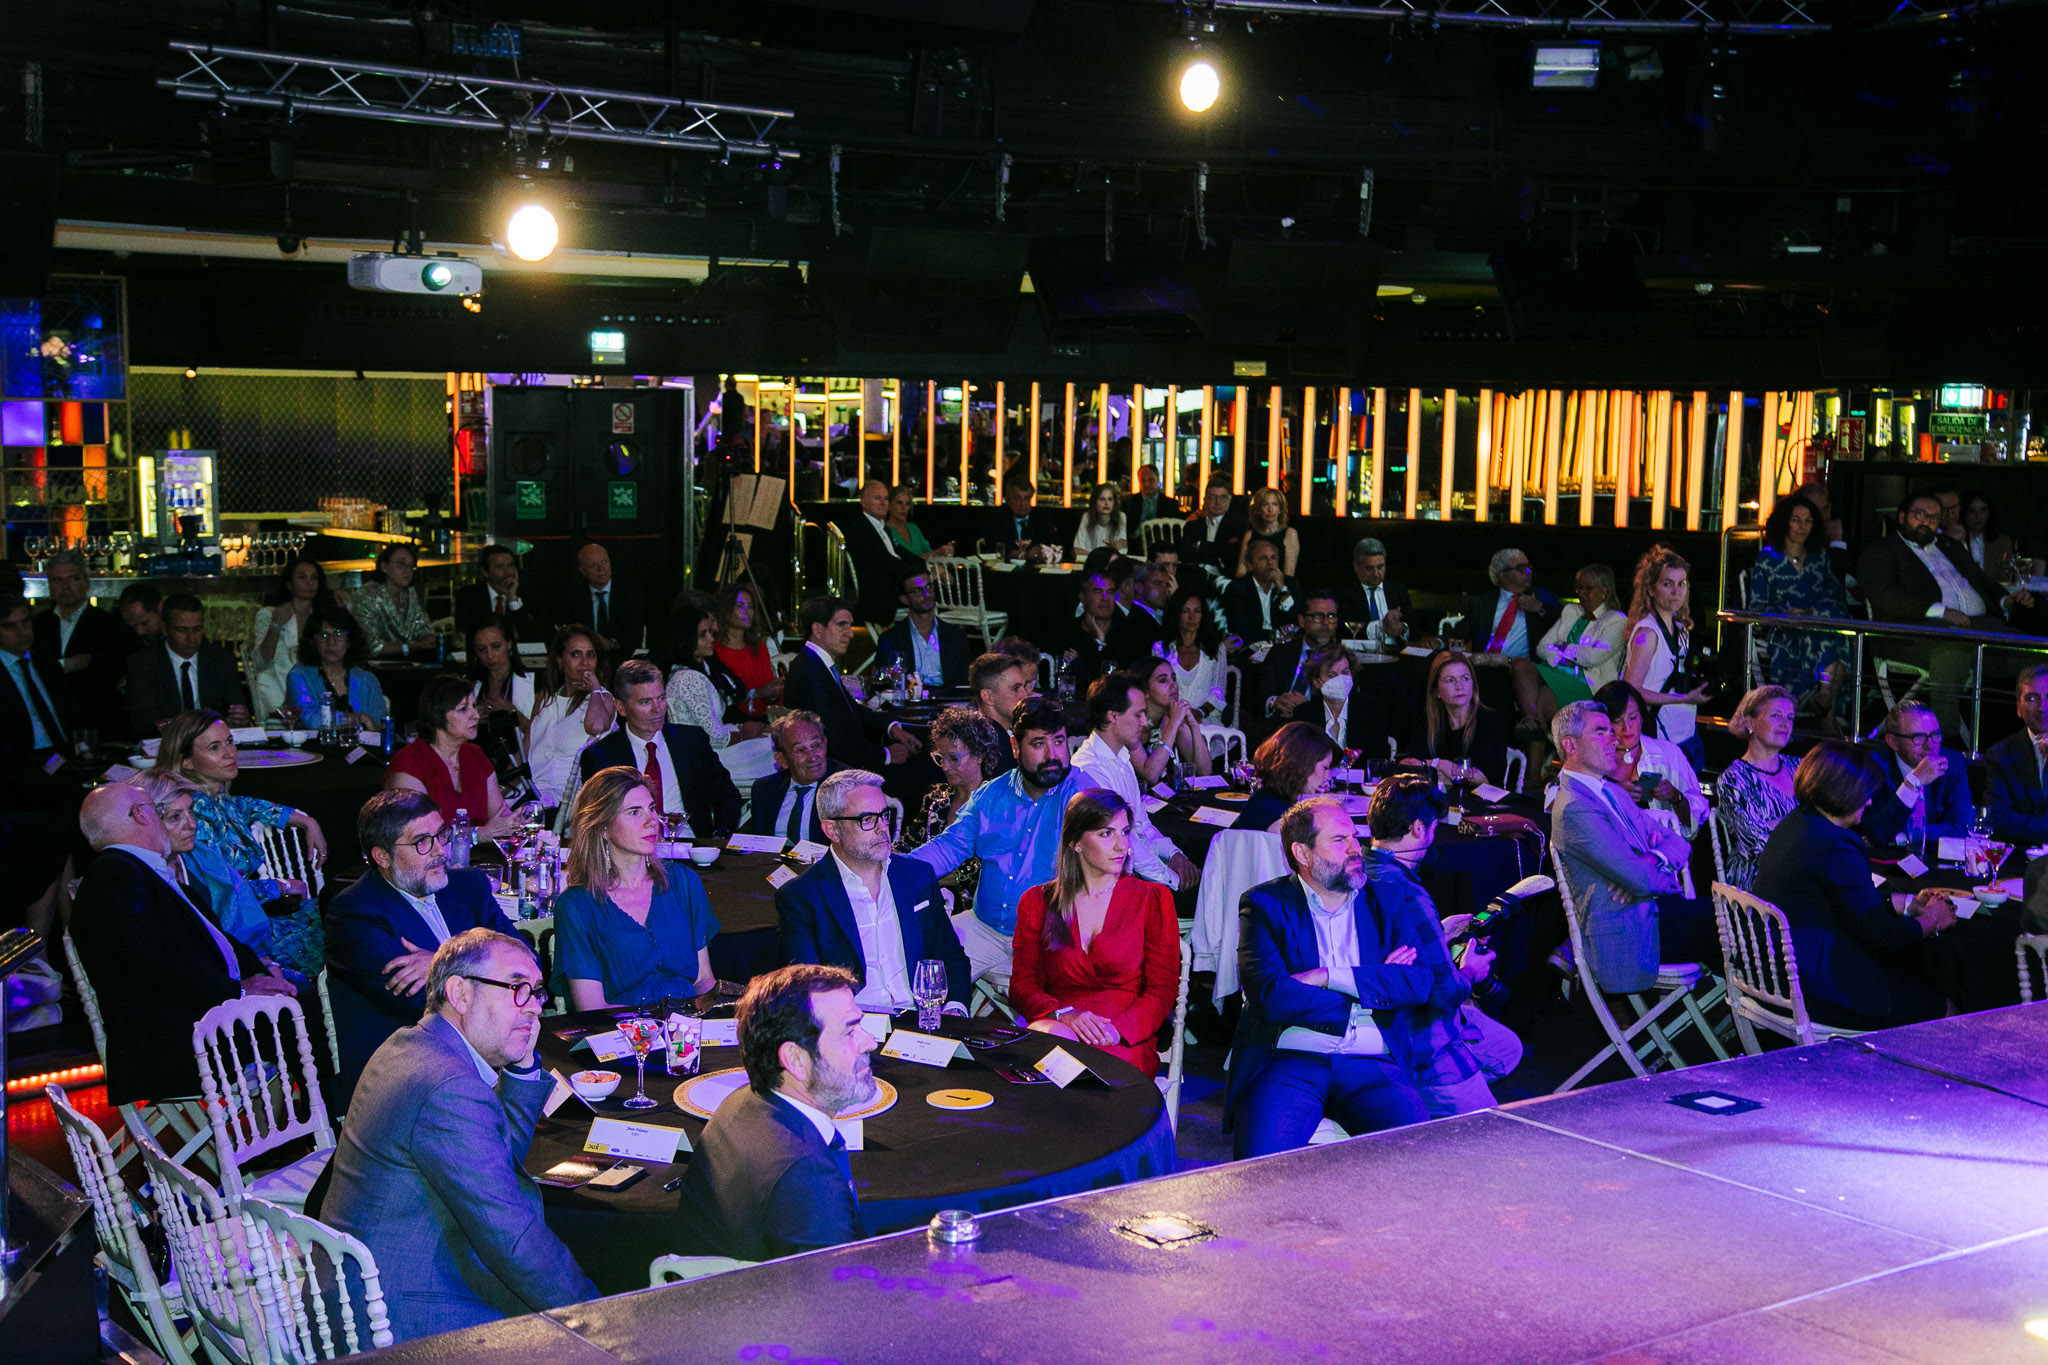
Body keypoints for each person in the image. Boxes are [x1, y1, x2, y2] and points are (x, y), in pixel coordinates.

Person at [324, 929, 596, 1342]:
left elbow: (500, 1157)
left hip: (361, 1287)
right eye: (518, 989)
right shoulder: (448, 1087)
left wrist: (523, 1067)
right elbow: (515, 1243)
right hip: (397, 1319)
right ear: (460, 994)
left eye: (537, 992)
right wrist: (601, 1315)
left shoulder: (411, 1045)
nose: (534, 1008)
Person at [1225, 796, 1432, 1157]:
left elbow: (1418, 984)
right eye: (1339, 840)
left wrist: (1325, 976)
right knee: (1257, 1168)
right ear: (1303, 853)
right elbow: (1272, 998)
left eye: (1354, 837)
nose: (1355, 849)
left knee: (1419, 1159)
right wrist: (1371, 987)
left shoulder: (1387, 900)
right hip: (1290, 1059)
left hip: (1373, 1062)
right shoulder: (1264, 904)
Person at [68, 783, 292, 1105]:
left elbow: (220, 941)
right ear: (140, 814)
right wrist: (239, 991)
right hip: (182, 1042)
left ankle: (306, 1128)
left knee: (312, 1013)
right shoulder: (116, 874)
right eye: (157, 811)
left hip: (206, 1022)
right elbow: (160, 961)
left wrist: (262, 975)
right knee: (325, 1021)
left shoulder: (140, 871)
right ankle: (345, 1128)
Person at [672, 964, 876, 1261]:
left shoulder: (740, 1103)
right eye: (849, 1031)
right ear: (795, 1060)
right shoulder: (808, 1179)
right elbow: (840, 1287)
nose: (870, 1042)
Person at [324, 790, 513, 1106]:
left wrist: (443, 961)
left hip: (491, 1062)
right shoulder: (354, 913)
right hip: (403, 1083)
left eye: (441, 834)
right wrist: (481, 969)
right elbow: (426, 1001)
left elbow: (529, 963)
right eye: (421, 842)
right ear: (382, 856)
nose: (440, 850)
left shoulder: (469, 886)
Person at [1751, 743, 1959, 1029]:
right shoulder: (1837, 844)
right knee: (1948, 1010)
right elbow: (1882, 936)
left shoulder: (1798, 823)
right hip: (1818, 989)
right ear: (1845, 791)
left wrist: (1908, 904)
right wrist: (1931, 920)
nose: (1869, 803)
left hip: (1775, 974)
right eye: (1866, 793)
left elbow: (1839, 902)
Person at [1363, 775, 1521, 1116]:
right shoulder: (1410, 893)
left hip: (1379, 1024)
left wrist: (1439, 932)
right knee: (1490, 1129)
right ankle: (1421, 1105)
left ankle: (1411, 1105)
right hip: (1422, 1043)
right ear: (1418, 828)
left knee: (1507, 1048)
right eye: (1433, 827)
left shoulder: (1361, 870)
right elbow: (1445, 994)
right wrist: (1471, 972)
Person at [907, 695, 1090, 982]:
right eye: (1038, 744)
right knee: (924, 972)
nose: (1053, 755)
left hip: (1051, 937)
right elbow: (949, 846)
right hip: (985, 927)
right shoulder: (991, 794)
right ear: (1015, 747)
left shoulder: (1082, 795)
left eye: (1059, 741)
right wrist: (896, 870)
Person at [1548, 700, 1717, 993]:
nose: (1614, 740)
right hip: (1634, 933)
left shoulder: (1611, 791)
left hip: (1656, 913)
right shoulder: (1575, 807)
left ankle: (1765, 1007)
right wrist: (1648, 874)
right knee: (1740, 924)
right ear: (1570, 745)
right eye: (1601, 732)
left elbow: (1678, 842)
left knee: (1746, 925)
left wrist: (1651, 859)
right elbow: (1641, 881)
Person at [1010, 789, 1179, 1076]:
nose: (1121, 845)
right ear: (1075, 842)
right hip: (1060, 1028)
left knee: (1079, 1075)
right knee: (1046, 1047)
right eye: (1106, 834)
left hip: (1122, 1036)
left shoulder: (1152, 899)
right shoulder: (1038, 902)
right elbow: (1022, 986)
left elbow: (1162, 991)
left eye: (1125, 832)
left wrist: (1118, 1031)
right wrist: (1063, 1014)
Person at [778, 769, 971, 1014]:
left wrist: (954, 1009)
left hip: (919, 1018)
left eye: (884, 816)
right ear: (832, 830)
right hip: (851, 1022)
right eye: (867, 820)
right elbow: (806, 988)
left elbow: (951, 957)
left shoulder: (917, 876)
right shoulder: (803, 896)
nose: (882, 829)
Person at [154, 708, 329, 978]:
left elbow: (247, 805)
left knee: (345, 916)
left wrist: (307, 821)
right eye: (215, 747)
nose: (230, 753)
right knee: (344, 929)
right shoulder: (195, 815)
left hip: (251, 918)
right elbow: (219, 896)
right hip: (236, 937)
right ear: (186, 762)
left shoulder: (218, 800)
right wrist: (279, 886)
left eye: (229, 742)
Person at [1857, 492, 2034, 744]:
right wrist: (1940, 611)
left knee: (2035, 652)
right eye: (1919, 514)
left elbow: (1981, 580)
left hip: (1978, 627)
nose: (1926, 521)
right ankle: (1946, 740)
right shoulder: (1882, 550)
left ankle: (2036, 735)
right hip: (1915, 632)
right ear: (1902, 517)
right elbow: (1883, 594)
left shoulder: (1950, 546)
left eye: (1934, 517)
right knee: (1952, 647)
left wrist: (2006, 600)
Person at [552, 767, 719, 1008]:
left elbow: (703, 980)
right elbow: (591, 1008)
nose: (651, 821)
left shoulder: (682, 882)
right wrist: (657, 1026)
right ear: (603, 827)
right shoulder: (577, 906)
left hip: (687, 1026)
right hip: (621, 1028)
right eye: (634, 812)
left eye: (651, 808)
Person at [127, 769, 290, 983]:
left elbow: (241, 915)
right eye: (175, 817)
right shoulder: (135, 877)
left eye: (191, 812)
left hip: (236, 967)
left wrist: (266, 967)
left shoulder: (202, 856)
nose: (192, 824)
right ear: (146, 820)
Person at [578, 658, 742, 836]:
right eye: (646, 702)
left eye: (661, 698)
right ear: (621, 707)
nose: (658, 709)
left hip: (690, 843)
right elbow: (595, 819)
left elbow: (727, 796)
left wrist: (720, 835)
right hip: (631, 847)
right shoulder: (602, 755)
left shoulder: (691, 741)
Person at [1070, 673, 1199, 891]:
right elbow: (1124, 842)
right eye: (1138, 714)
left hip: (1129, 874)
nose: (1144, 723)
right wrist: (1172, 880)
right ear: (1112, 716)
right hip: (1108, 886)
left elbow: (1141, 825)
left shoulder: (1121, 757)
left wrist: (1174, 855)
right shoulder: (1088, 769)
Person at [1746, 495, 1850, 726]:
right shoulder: (1767, 559)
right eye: (1796, 520)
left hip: (1818, 623)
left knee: (1834, 635)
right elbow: (1757, 606)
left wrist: (1812, 612)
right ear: (1784, 522)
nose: (1802, 526)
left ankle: (1825, 700)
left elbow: (1835, 596)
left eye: (1808, 521)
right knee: (1823, 638)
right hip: (1784, 627)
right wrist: (1790, 612)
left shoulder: (1819, 557)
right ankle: (1827, 712)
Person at [783, 596, 917, 770]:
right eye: (842, 625)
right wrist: (887, 755)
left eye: (850, 625)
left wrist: (891, 728)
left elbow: (852, 709)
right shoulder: (809, 673)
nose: (851, 633)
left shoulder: (816, 664)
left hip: (851, 761)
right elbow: (833, 741)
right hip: (840, 770)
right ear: (818, 630)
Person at [386, 675, 515, 836]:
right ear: (437, 715)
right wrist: (478, 835)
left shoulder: (475, 755)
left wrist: (519, 822)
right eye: (463, 709)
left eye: (474, 706)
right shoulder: (409, 763)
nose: (475, 715)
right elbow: (421, 836)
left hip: (480, 852)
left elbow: (500, 818)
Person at [663, 593, 774, 781]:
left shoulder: (691, 671)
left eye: (710, 633)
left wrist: (742, 729)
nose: (711, 639)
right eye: (703, 635)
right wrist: (744, 734)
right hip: (705, 757)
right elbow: (714, 739)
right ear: (686, 638)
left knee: (774, 739)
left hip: (710, 749)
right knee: (776, 748)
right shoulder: (690, 678)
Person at [1623, 545, 1712, 770]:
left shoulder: (1680, 629)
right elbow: (1632, 690)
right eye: (1667, 584)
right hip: (1658, 737)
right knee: (1656, 791)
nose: (1676, 592)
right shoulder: (1647, 634)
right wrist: (1684, 698)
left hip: (1683, 732)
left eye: (1682, 584)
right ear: (1651, 589)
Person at [1463, 547, 1558, 744]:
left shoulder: (1542, 597)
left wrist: (1540, 608)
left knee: (1499, 681)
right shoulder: (1482, 603)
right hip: (1485, 664)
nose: (1528, 572)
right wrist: (1437, 641)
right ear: (1502, 574)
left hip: (1522, 669)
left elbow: (1564, 620)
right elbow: (1460, 632)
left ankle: (1503, 742)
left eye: (1529, 567)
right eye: (1521, 568)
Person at [1593, 679, 1709, 839]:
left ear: (1642, 717)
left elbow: (1694, 823)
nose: (1627, 728)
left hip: (1659, 850)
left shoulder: (1667, 754)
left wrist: (1676, 798)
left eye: (1633, 717)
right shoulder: (1591, 756)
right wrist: (1610, 795)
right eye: (1617, 721)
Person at [899, 706, 1007, 872]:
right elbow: (907, 844)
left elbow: (985, 869)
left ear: (979, 754)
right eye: (940, 758)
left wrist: (922, 874)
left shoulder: (996, 802)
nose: (945, 767)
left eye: (954, 759)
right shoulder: (935, 797)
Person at [1715, 685, 1800, 891]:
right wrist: (1802, 823)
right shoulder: (1734, 779)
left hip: (1803, 868)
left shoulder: (1800, 768)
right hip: (1756, 882)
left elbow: (1827, 819)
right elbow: (1757, 843)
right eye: (1776, 716)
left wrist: (1776, 823)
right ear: (1749, 722)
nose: (1785, 724)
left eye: (1790, 718)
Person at [1857, 699, 1973, 850]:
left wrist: (1905, 836)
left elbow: (1961, 829)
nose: (1930, 746)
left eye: (1935, 735)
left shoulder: (1952, 762)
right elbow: (1877, 832)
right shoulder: (1873, 766)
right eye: (1918, 738)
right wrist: (1913, 782)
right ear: (1892, 742)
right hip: (1887, 859)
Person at [126, 592, 246, 734]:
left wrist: (239, 717)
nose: (191, 638)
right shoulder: (143, 663)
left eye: (197, 629)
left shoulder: (222, 659)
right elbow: (143, 718)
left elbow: (235, 707)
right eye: (181, 630)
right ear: (164, 629)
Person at [526, 626, 617, 812]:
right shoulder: (545, 698)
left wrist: (595, 688)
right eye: (576, 654)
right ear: (560, 660)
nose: (585, 663)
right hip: (533, 792)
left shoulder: (603, 698)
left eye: (591, 655)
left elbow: (596, 726)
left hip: (570, 801)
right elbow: (526, 747)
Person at [33, 548, 125, 721]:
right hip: (50, 716)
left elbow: (110, 669)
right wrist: (68, 665)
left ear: (86, 582)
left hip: (96, 717)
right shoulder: (37, 625)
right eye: (57, 580)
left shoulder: (108, 624)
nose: (65, 586)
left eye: (73, 579)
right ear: (50, 586)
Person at [246, 555, 339, 720]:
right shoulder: (268, 614)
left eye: (314, 578)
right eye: (302, 577)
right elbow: (260, 662)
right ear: (289, 584)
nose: (309, 583)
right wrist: (275, 625)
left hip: (317, 685)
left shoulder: (323, 617)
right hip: (278, 685)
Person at [1401, 651, 1511, 788]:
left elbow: (1484, 778)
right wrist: (1443, 770)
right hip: (1441, 798)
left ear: (1473, 684)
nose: (1459, 687)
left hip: (1482, 799)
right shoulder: (1430, 721)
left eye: (1465, 678)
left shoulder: (1491, 722)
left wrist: (1438, 765)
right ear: (1437, 691)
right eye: (1450, 680)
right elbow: (1408, 764)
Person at [0, 593, 74, 772]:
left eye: (25, 622)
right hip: (21, 766)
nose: (22, 632)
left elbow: (70, 715)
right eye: (9, 626)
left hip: (65, 755)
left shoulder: (47, 665)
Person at [1534, 563, 1629, 703]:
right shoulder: (1571, 612)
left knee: (1543, 693)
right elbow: (1542, 647)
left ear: (1604, 591)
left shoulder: (1616, 620)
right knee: (1522, 666)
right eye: (1579, 588)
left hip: (1591, 685)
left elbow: (1593, 657)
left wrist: (1565, 647)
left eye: (1588, 589)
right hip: (1559, 671)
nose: (1581, 593)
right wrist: (1561, 660)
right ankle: (1531, 715)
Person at [1254, 588, 1343, 737]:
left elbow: (1344, 704)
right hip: (1278, 727)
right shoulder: (1281, 652)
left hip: (1319, 730)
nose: (1326, 622)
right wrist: (1276, 701)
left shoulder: (1341, 659)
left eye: (1331, 616)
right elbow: (1260, 693)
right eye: (1318, 616)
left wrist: (1307, 707)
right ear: (1302, 621)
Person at [746, 711, 840, 847]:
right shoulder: (764, 789)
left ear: (825, 743)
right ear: (782, 759)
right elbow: (757, 843)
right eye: (801, 750)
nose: (812, 757)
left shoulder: (844, 787)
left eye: (816, 745)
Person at [285, 606, 388, 728]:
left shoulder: (367, 680)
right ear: (313, 642)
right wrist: (349, 719)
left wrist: (372, 725)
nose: (331, 642)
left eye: (338, 634)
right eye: (324, 635)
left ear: (349, 642)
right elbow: (308, 718)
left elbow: (383, 727)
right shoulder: (299, 676)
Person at [841, 480, 926, 626]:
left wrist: (928, 567)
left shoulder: (883, 528)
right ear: (863, 502)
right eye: (877, 498)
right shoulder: (860, 530)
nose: (883, 503)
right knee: (932, 592)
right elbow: (887, 562)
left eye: (886, 498)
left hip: (895, 585)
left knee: (938, 585)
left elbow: (903, 554)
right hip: (881, 595)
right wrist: (919, 575)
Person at [873, 566, 973, 689]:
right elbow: (883, 682)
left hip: (948, 697)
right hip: (911, 697)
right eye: (918, 591)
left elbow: (965, 680)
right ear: (904, 599)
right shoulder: (891, 639)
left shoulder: (956, 636)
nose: (927, 594)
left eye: (929, 587)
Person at [1234, 723, 1341, 832]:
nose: (1327, 776)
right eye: (1325, 768)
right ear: (1303, 764)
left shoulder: (1267, 797)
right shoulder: (1280, 816)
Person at [1986, 663, 2048, 846]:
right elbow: (1998, 819)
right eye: (2032, 698)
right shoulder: (2000, 755)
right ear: (2019, 708)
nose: (2042, 707)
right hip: (2023, 856)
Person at [1155, 585, 1227, 733]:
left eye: (1197, 611)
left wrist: (1200, 712)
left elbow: (1218, 691)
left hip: (1206, 721)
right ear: (1176, 614)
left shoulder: (1217, 649)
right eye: (1185, 611)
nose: (1191, 617)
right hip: (1170, 720)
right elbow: (1155, 689)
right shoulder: (1160, 649)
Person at [1300, 647, 1392, 760]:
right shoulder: (1304, 714)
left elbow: (1378, 758)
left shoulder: (1372, 710)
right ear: (1316, 682)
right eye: (1332, 675)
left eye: (1345, 673)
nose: (1340, 680)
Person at [560, 542, 646, 657]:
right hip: (585, 658)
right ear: (583, 571)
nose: (601, 569)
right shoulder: (572, 596)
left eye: (604, 562)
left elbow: (635, 635)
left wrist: (611, 644)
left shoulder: (630, 592)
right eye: (593, 566)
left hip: (622, 658)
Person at [352, 543, 437, 659]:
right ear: (384, 567)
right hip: (375, 663)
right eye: (401, 564)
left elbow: (423, 627)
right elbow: (371, 645)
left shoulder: (410, 592)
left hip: (409, 659)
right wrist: (414, 646)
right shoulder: (366, 595)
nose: (408, 570)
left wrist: (429, 639)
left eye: (411, 566)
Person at [466, 619, 535, 761]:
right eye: (482, 650)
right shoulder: (469, 685)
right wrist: (470, 719)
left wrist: (512, 712)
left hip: (524, 761)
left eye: (496, 646)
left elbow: (544, 733)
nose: (490, 655)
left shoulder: (535, 683)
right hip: (478, 761)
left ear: (509, 644)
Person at [1135, 654, 1211, 778]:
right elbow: (1150, 776)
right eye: (1163, 680)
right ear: (1145, 691)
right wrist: (1173, 725)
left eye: (1174, 678)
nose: (1174, 685)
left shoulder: (1171, 718)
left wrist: (1193, 725)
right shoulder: (1133, 721)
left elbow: (1204, 772)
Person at [1332, 538, 1416, 650]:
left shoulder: (1397, 589)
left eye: (1380, 567)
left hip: (1395, 652)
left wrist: (1402, 629)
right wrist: (1382, 625)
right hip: (1360, 654)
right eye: (1369, 568)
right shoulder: (1344, 592)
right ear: (1356, 566)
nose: (1376, 574)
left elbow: (1416, 629)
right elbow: (1345, 630)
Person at [713, 582, 780, 721]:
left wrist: (774, 691)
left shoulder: (758, 647)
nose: (747, 611)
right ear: (726, 610)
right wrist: (757, 693)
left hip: (764, 718)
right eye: (740, 606)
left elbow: (769, 689)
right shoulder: (714, 649)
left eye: (751, 606)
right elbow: (720, 698)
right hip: (731, 720)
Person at [454, 544, 542, 644]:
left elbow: (532, 637)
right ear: (485, 572)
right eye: (500, 567)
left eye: (510, 565)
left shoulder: (526, 593)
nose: (508, 572)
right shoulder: (468, 595)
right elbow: (466, 633)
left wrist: (513, 600)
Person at [1222, 538, 1300, 647]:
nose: (1270, 562)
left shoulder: (1290, 584)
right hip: (1250, 646)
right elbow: (1240, 629)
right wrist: (1275, 635)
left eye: (1273, 558)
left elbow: (1296, 622)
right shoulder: (1237, 588)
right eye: (1263, 558)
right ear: (1249, 565)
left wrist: (1283, 590)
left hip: (1284, 647)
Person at [970, 651, 1038, 769]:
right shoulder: (993, 747)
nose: (1025, 695)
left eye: (1023, 686)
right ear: (988, 697)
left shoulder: (1000, 735)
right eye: (1015, 688)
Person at [1063, 571, 1124, 695]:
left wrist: (1098, 643)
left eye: (1110, 592)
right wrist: (1098, 643)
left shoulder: (1127, 631)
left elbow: (1116, 680)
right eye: (1097, 591)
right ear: (1083, 597)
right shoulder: (1069, 631)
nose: (1105, 598)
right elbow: (1077, 680)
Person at [1108, 559, 1171, 665]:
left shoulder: (1166, 616)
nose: (1165, 590)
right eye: (1158, 584)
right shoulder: (1136, 622)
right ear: (1139, 587)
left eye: (1167, 585)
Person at [1178, 483, 1245, 581]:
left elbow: (1233, 554)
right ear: (1205, 500)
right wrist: (1220, 548)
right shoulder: (1192, 526)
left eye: (1222, 498)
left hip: (1226, 578)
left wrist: (1200, 545)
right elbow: (1184, 554)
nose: (1218, 502)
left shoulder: (1238, 526)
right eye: (1213, 497)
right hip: (1196, 577)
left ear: (1228, 502)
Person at [1234, 487, 1299, 579]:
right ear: (1258, 509)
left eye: (1275, 504)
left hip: (1279, 583)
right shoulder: (1249, 535)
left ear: (1280, 509)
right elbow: (1241, 570)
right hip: (1252, 584)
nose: (1270, 509)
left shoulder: (1290, 534)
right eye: (1265, 505)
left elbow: (1289, 574)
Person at [1957, 489, 2016, 576]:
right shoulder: (1956, 540)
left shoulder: (2002, 542)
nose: (1978, 516)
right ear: (1964, 513)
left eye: (1983, 510)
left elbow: (2007, 575)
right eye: (1972, 511)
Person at [883, 484, 951, 558]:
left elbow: (928, 552)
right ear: (889, 505)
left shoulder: (913, 528)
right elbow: (904, 559)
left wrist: (942, 552)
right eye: (899, 502)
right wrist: (937, 553)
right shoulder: (885, 530)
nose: (903, 507)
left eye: (907, 504)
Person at [1071, 481, 1129, 558]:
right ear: (1094, 502)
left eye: (1110, 499)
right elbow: (1077, 550)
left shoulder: (1121, 517)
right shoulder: (1087, 517)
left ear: (1114, 503)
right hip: (1090, 563)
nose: (1106, 503)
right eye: (1102, 499)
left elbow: (1122, 551)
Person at [1124, 463, 1170, 530]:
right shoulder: (1129, 502)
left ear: (1158, 479)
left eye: (1151, 480)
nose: (1147, 484)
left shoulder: (1170, 504)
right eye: (1143, 481)